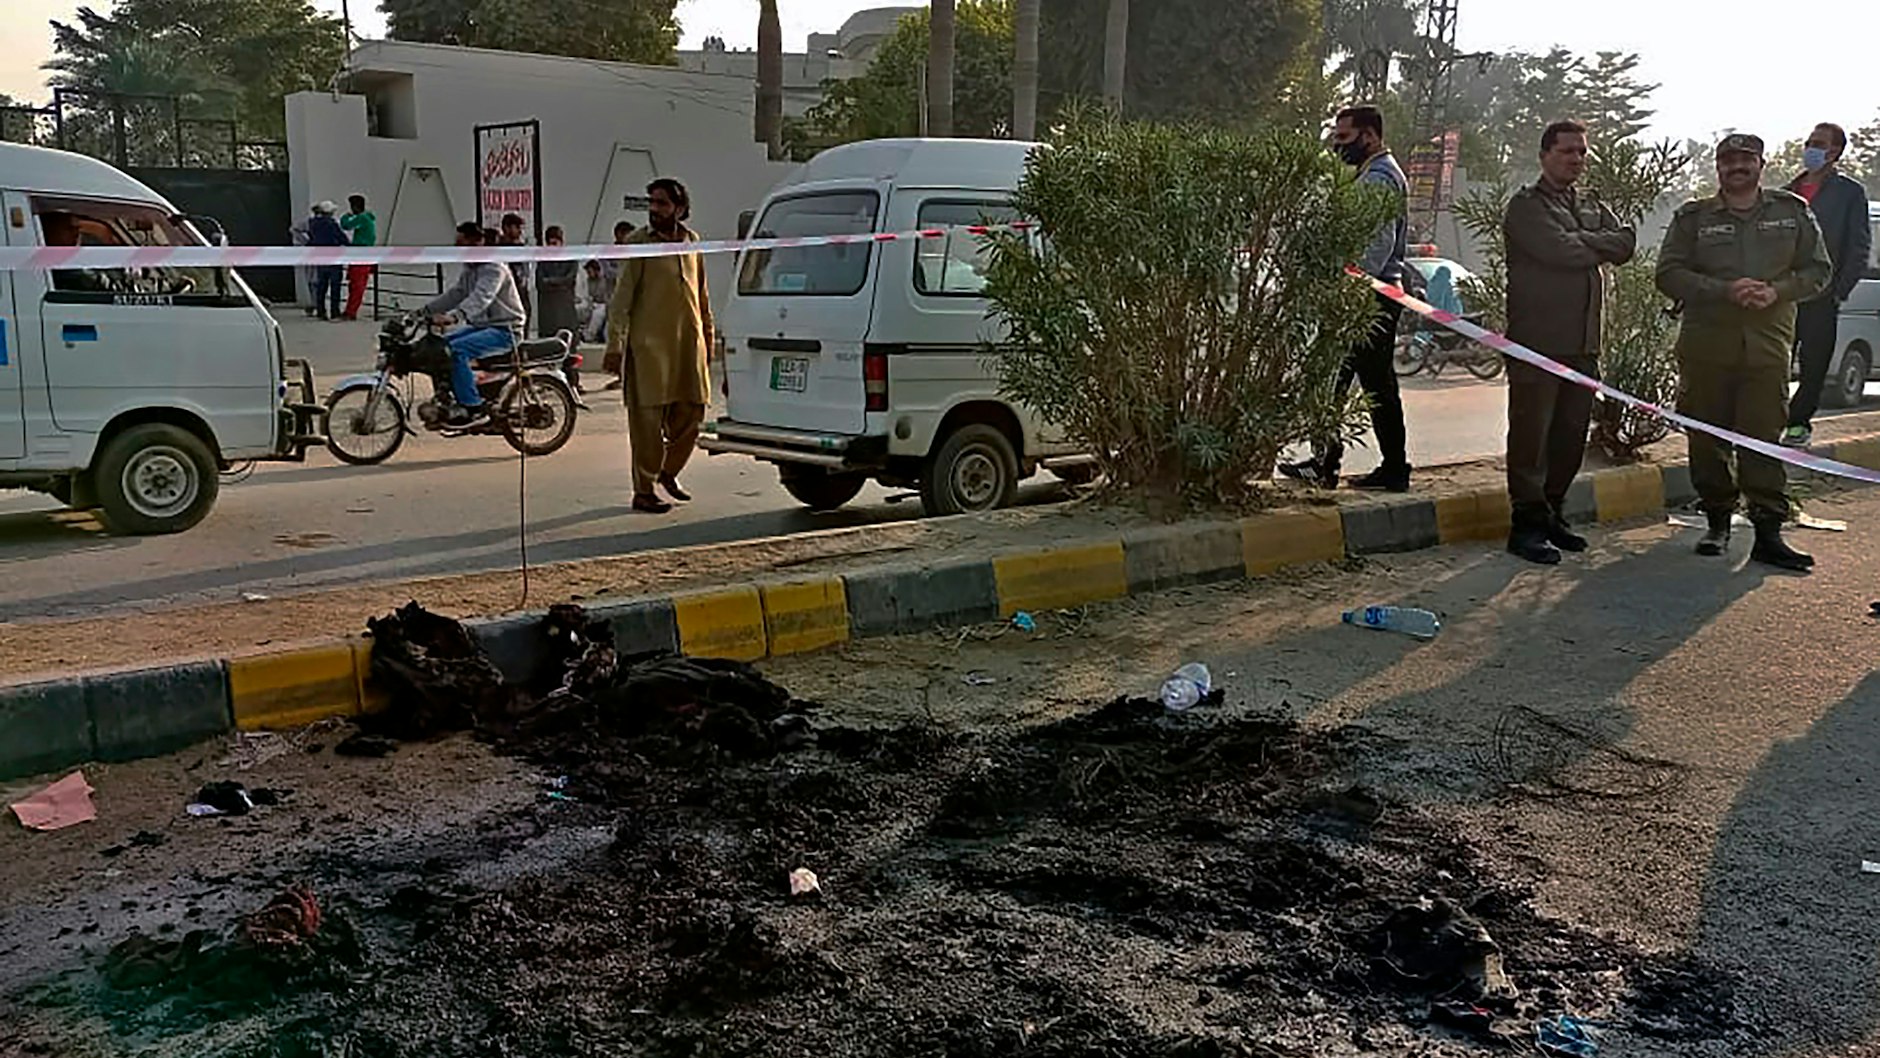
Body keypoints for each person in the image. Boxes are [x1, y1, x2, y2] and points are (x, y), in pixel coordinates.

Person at [1655, 133, 1831, 572]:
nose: (1737, 166)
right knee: (1706, 437)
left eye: (1745, 159)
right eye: (1728, 159)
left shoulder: (1792, 213)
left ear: (1761, 164)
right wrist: (1723, 290)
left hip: (1767, 347)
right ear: (1718, 167)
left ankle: (1769, 534)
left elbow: (1819, 270)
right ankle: (1717, 522)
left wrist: (1777, 291)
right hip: (1706, 347)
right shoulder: (1693, 218)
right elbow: (1669, 273)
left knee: (1763, 438)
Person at [1501, 119, 1636, 565]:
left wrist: (1586, 241)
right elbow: (1558, 251)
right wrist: (1595, 245)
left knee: (1569, 437)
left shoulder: (1591, 204)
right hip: (1538, 342)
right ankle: (1527, 525)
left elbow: (1626, 243)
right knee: (1531, 438)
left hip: (1583, 344)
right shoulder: (1526, 207)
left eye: (1581, 152)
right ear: (1545, 156)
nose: (1576, 159)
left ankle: (1554, 513)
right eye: (1566, 151)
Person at [1281, 105, 1413, 492]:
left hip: (1367, 299)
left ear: (1369, 136)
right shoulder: (1373, 174)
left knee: (1361, 383)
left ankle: (1380, 467)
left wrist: (1347, 289)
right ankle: (1330, 462)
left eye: (1344, 137)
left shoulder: (1379, 179)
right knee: (1349, 382)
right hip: (1369, 297)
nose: (1338, 146)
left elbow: (1376, 245)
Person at [607, 178, 715, 514]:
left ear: (680, 208)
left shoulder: (692, 242)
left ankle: (668, 472)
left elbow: (702, 296)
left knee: (694, 416)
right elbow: (621, 298)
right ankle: (644, 490)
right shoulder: (639, 243)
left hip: (688, 348)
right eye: (651, 202)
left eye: (662, 203)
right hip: (649, 351)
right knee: (647, 426)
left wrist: (709, 339)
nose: (655, 209)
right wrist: (615, 343)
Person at [1782, 122, 1874, 447]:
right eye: (1809, 142)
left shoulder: (1850, 193)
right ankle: (1769, 422)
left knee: (1814, 365)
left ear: (1835, 152)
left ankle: (1798, 423)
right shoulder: (1786, 191)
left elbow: (1859, 245)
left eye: (1819, 143)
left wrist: (1839, 289)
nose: (1811, 148)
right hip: (1783, 294)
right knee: (1775, 361)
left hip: (1822, 293)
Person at [424, 221, 529, 430]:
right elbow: (457, 294)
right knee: (439, 346)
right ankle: (446, 398)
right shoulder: (471, 268)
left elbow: (482, 298)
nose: (457, 248)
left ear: (476, 242)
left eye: (461, 243)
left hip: (505, 330)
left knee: (456, 350)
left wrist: (454, 317)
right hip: (482, 327)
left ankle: (473, 407)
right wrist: (423, 312)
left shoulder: (493, 268)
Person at [535, 225, 586, 400]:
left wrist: (553, 282)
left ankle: (573, 382)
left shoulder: (570, 258)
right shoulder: (543, 260)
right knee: (548, 347)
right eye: (549, 242)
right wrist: (557, 283)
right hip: (548, 310)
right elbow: (540, 282)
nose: (552, 246)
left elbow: (569, 279)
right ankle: (549, 382)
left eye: (555, 242)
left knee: (570, 347)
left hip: (565, 310)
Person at [597, 220, 636, 389]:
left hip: (631, 305)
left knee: (629, 341)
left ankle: (627, 376)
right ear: (619, 234)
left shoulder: (634, 252)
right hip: (613, 302)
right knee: (615, 340)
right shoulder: (610, 253)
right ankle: (621, 375)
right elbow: (610, 273)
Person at [339, 194, 377, 321]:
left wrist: (347, 216)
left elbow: (345, 225)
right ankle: (351, 310)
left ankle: (350, 311)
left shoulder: (361, 218)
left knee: (356, 284)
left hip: (359, 254)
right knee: (358, 283)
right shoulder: (368, 218)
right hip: (365, 254)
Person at [307, 201, 346, 321]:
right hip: (334, 257)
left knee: (321, 286)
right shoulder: (332, 224)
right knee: (335, 287)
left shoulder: (312, 223)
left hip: (320, 257)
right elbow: (341, 238)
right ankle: (335, 312)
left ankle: (321, 311)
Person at [500, 212, 533, 318]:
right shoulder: (498, 248)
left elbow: (526, 269)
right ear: (506, 228)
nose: (520, 231)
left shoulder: (522, 248)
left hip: (521, 291)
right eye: (517, 227)